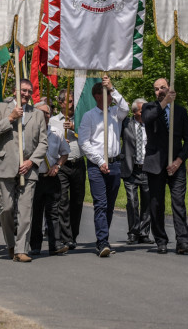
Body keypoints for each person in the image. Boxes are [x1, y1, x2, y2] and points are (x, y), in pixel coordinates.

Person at [0, 79, 48, 263]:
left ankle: (22, 250)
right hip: (5, 165)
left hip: (28, 169)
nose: (26, 94)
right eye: (23, 90)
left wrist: (32, 161)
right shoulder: (0, 108)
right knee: (6, 208)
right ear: (15, 91)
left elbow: (43, 142)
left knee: (25, 211)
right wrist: (11, 118)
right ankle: (11, 244)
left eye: (29, 91)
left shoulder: (37, 114)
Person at [141, 78, 188, 255]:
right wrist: (164, 103)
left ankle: (183, 241)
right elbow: (147, 119)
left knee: (178, 202)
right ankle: (161, 240)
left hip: (176, 164)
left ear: (169, 88)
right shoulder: (149, 107)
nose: (160, 91)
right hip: (155, 163)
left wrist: (179, 161)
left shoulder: (180, 111)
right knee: (156, 204)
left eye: (163, 88)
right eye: (156, 89)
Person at [78, 76, 129, 257]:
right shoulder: (89, 116)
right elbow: (84, 142)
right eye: (107, 94)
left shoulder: (115, 113)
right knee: (101, 203)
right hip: (96, 165)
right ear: (98, 96)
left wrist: (113, 88)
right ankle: (102, 241)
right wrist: (100, 161)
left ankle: (103, 236)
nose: (110, 97)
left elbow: (125, 108)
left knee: (110, 205)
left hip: (115, 164)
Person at [29, 101, 70, 256]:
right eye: (42, 113)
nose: (45, 116)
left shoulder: (56, 132)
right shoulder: (29, 132)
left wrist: (57, 166)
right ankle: (35, 245)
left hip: (51, 177)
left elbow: (65, 153)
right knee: (36, 213)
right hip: (35, 177)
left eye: (48, 113)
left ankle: (55, 244)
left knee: (53, 212)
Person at [50, 89, 85, 250]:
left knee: (77, 201)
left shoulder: (81, 119)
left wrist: (74, 128)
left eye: (73, 102)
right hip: (62, 164)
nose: (72, 105)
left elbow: (90, 137)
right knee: (63, 201)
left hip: (78, 163)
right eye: (69, 101)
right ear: (60, 103)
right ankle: (66, 237)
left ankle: (74, 234)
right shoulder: (53, 121)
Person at [120, 98, 152, 245]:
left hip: (147, 169)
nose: (145, 113)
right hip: (131, 169)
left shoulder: (151, 125)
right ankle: (133, 232)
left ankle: (144, 233)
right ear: (135, 112)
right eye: (142, 110)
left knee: (147, 202)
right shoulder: (126, 123)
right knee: (132, 202)